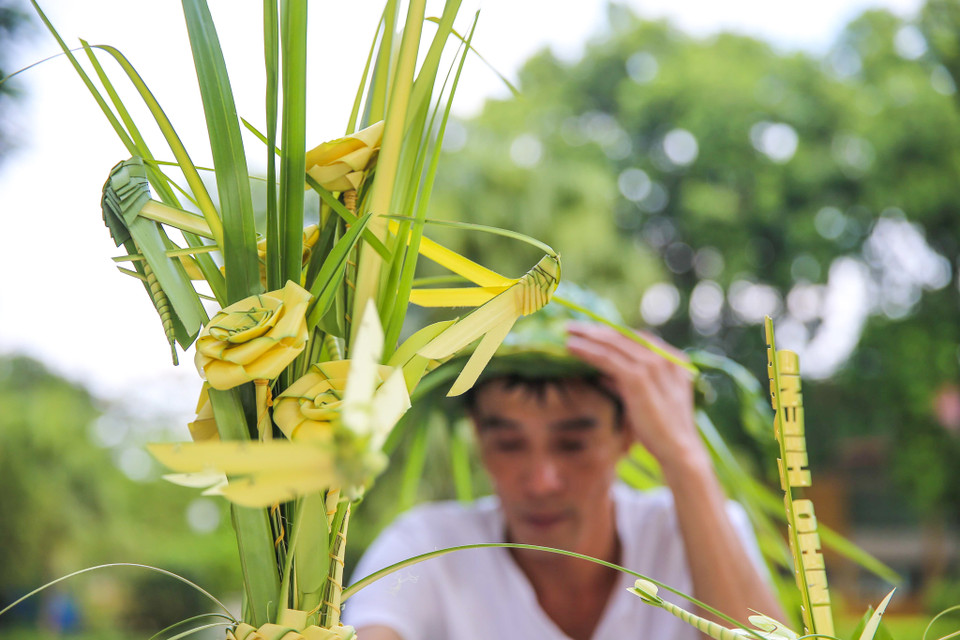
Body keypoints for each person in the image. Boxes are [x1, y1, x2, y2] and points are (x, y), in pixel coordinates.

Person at [342, 320, 785, 640]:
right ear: (477, 435)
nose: (540, 482)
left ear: (627, 435)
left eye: (573, 444)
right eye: (510, 444)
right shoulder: (428, 548)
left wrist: (685, 459)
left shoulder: (692, 531)